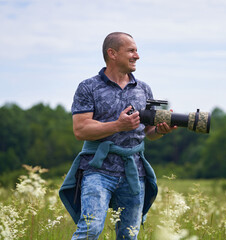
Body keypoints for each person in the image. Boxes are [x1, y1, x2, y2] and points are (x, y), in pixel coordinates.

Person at [59, 32, 177, 240]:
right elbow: (81, 130)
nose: (137, 56)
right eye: (131, 50)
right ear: (112, 53)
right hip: (97, 170)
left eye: (136, 51)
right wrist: (117, 125)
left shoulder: (143, 89)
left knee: (129, 235)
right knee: (90, 230)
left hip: (134, 172)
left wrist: (160, 130)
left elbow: (148, 133)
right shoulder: (88, 87)